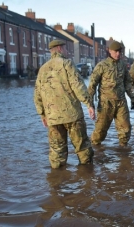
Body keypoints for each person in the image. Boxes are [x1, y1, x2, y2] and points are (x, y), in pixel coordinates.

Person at [34, 39, 96, 169]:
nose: (67, 51)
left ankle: (57, 183)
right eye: (66, 48)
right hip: (72, 115)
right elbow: (78, 86)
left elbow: (37, 95)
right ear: (60, 49)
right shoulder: (67, 64)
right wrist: (89, 104)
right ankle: (87, 179)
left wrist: (42, 115)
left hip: (53, 118)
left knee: (57, 152)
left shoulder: (42, 69)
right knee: (82, 148)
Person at [88, 41, 134, 146]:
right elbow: (92, 85)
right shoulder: (102, 65)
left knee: (126, 129)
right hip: (106, 103)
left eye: (119, 51)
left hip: (121, 102)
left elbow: (127, 82)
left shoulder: (123, 65)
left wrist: (132, 98)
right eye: (115, 51)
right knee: (100, 132)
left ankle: (124, 155)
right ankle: (95, 150)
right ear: (109, 51)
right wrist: (90, 104)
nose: (117, 54)